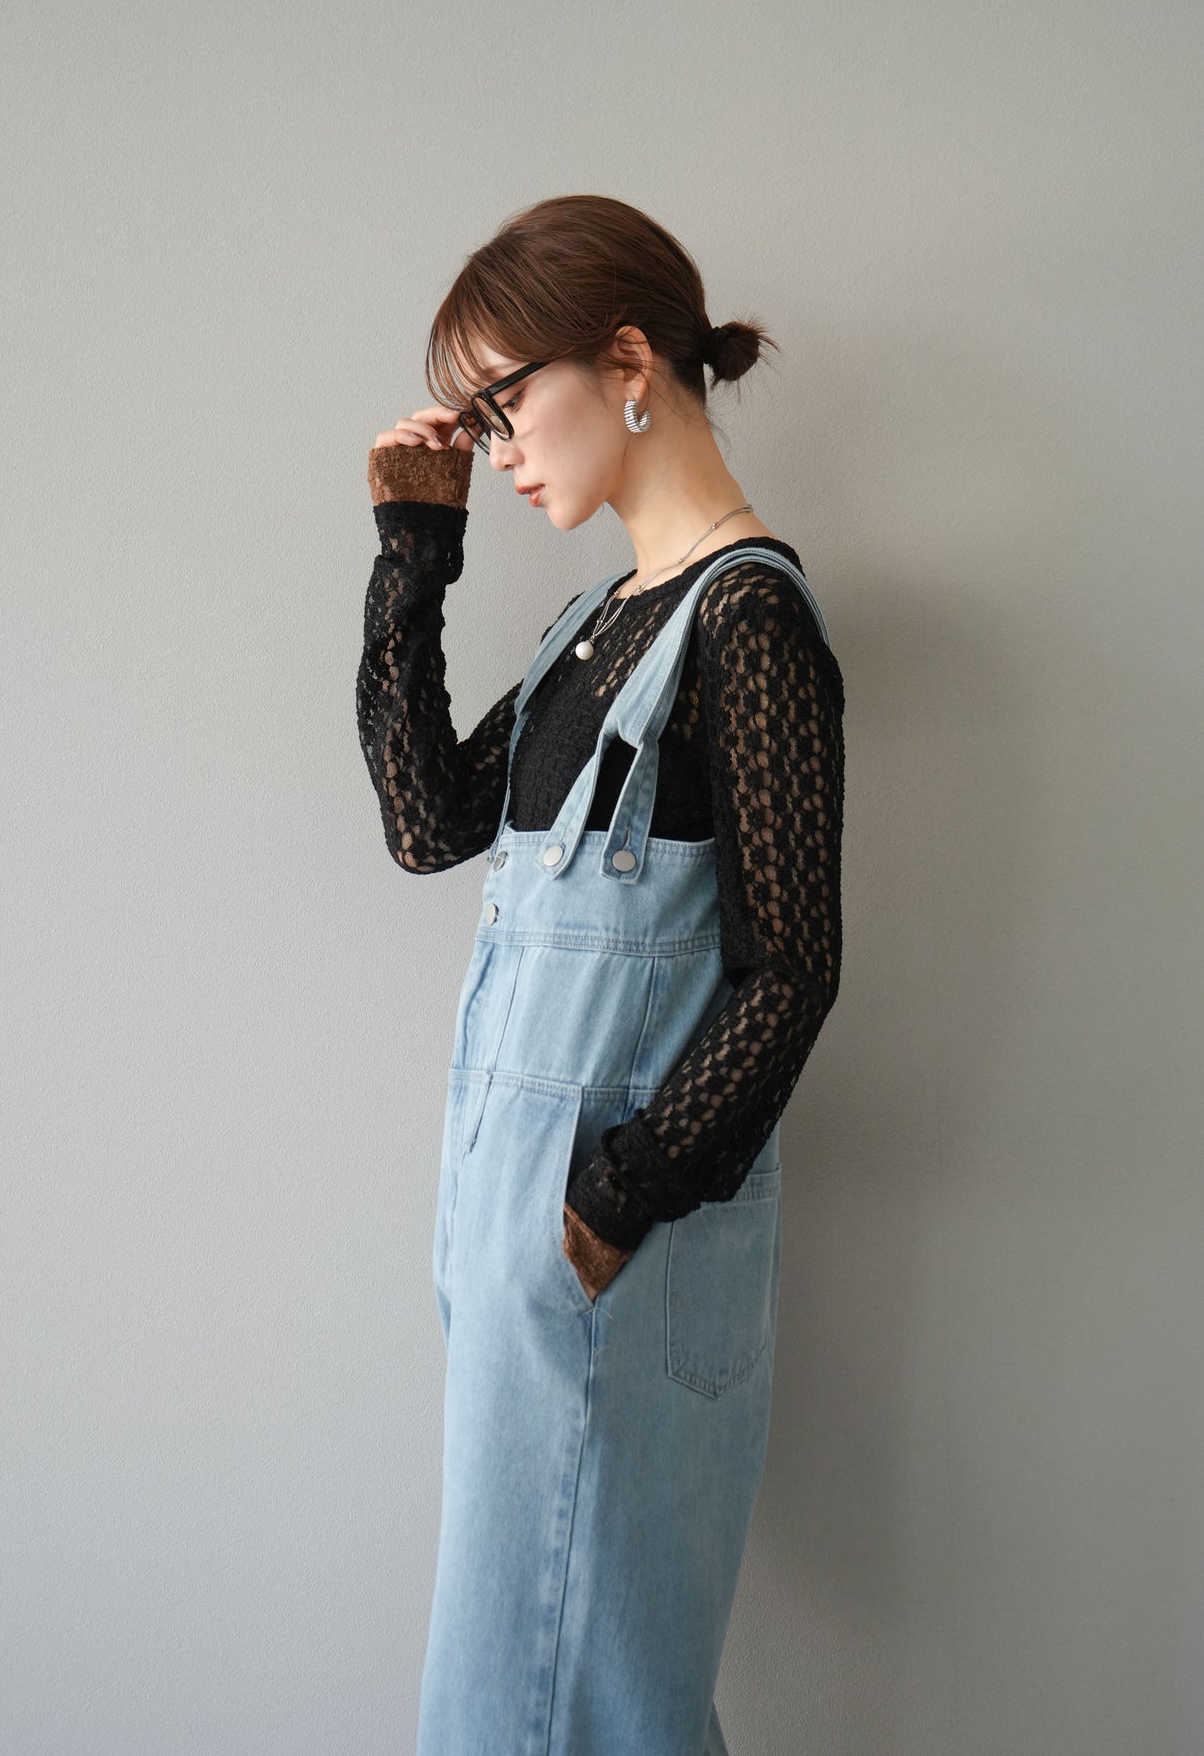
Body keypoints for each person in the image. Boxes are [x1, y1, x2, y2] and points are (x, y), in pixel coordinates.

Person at [355, 194, 845, 1756]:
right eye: (480, 418)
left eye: (507, 404)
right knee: (522, 1686)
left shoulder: (746, 619)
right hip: (506, 1234)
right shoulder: (598, 621)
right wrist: (414, 547)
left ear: (627, 360)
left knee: (583, 1701)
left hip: (604, 1252)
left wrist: (598, 1215)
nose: (498, 447)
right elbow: (427, 824)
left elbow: (791, 972)